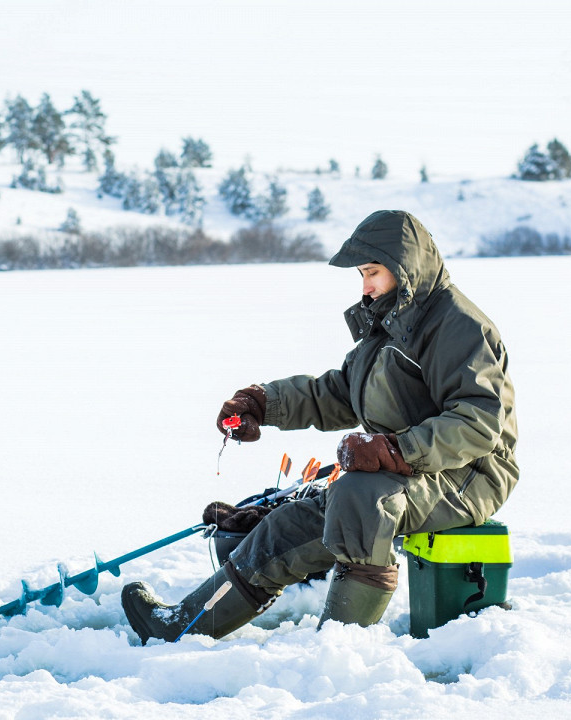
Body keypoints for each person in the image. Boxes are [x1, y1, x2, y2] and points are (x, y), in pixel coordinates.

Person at [121, 210, 518, 644]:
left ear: (405, 267)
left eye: (373, 272)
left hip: (468, 474)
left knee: (360, 497)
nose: (365, 286)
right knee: (284, 526)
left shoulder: (458, 326)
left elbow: (478, 422)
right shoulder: (390, 325)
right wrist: (262, 403)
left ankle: (338, 648)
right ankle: (183, 624)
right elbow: (338, 393)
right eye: (361, 275)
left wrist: (394, 450)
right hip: (406, 471)